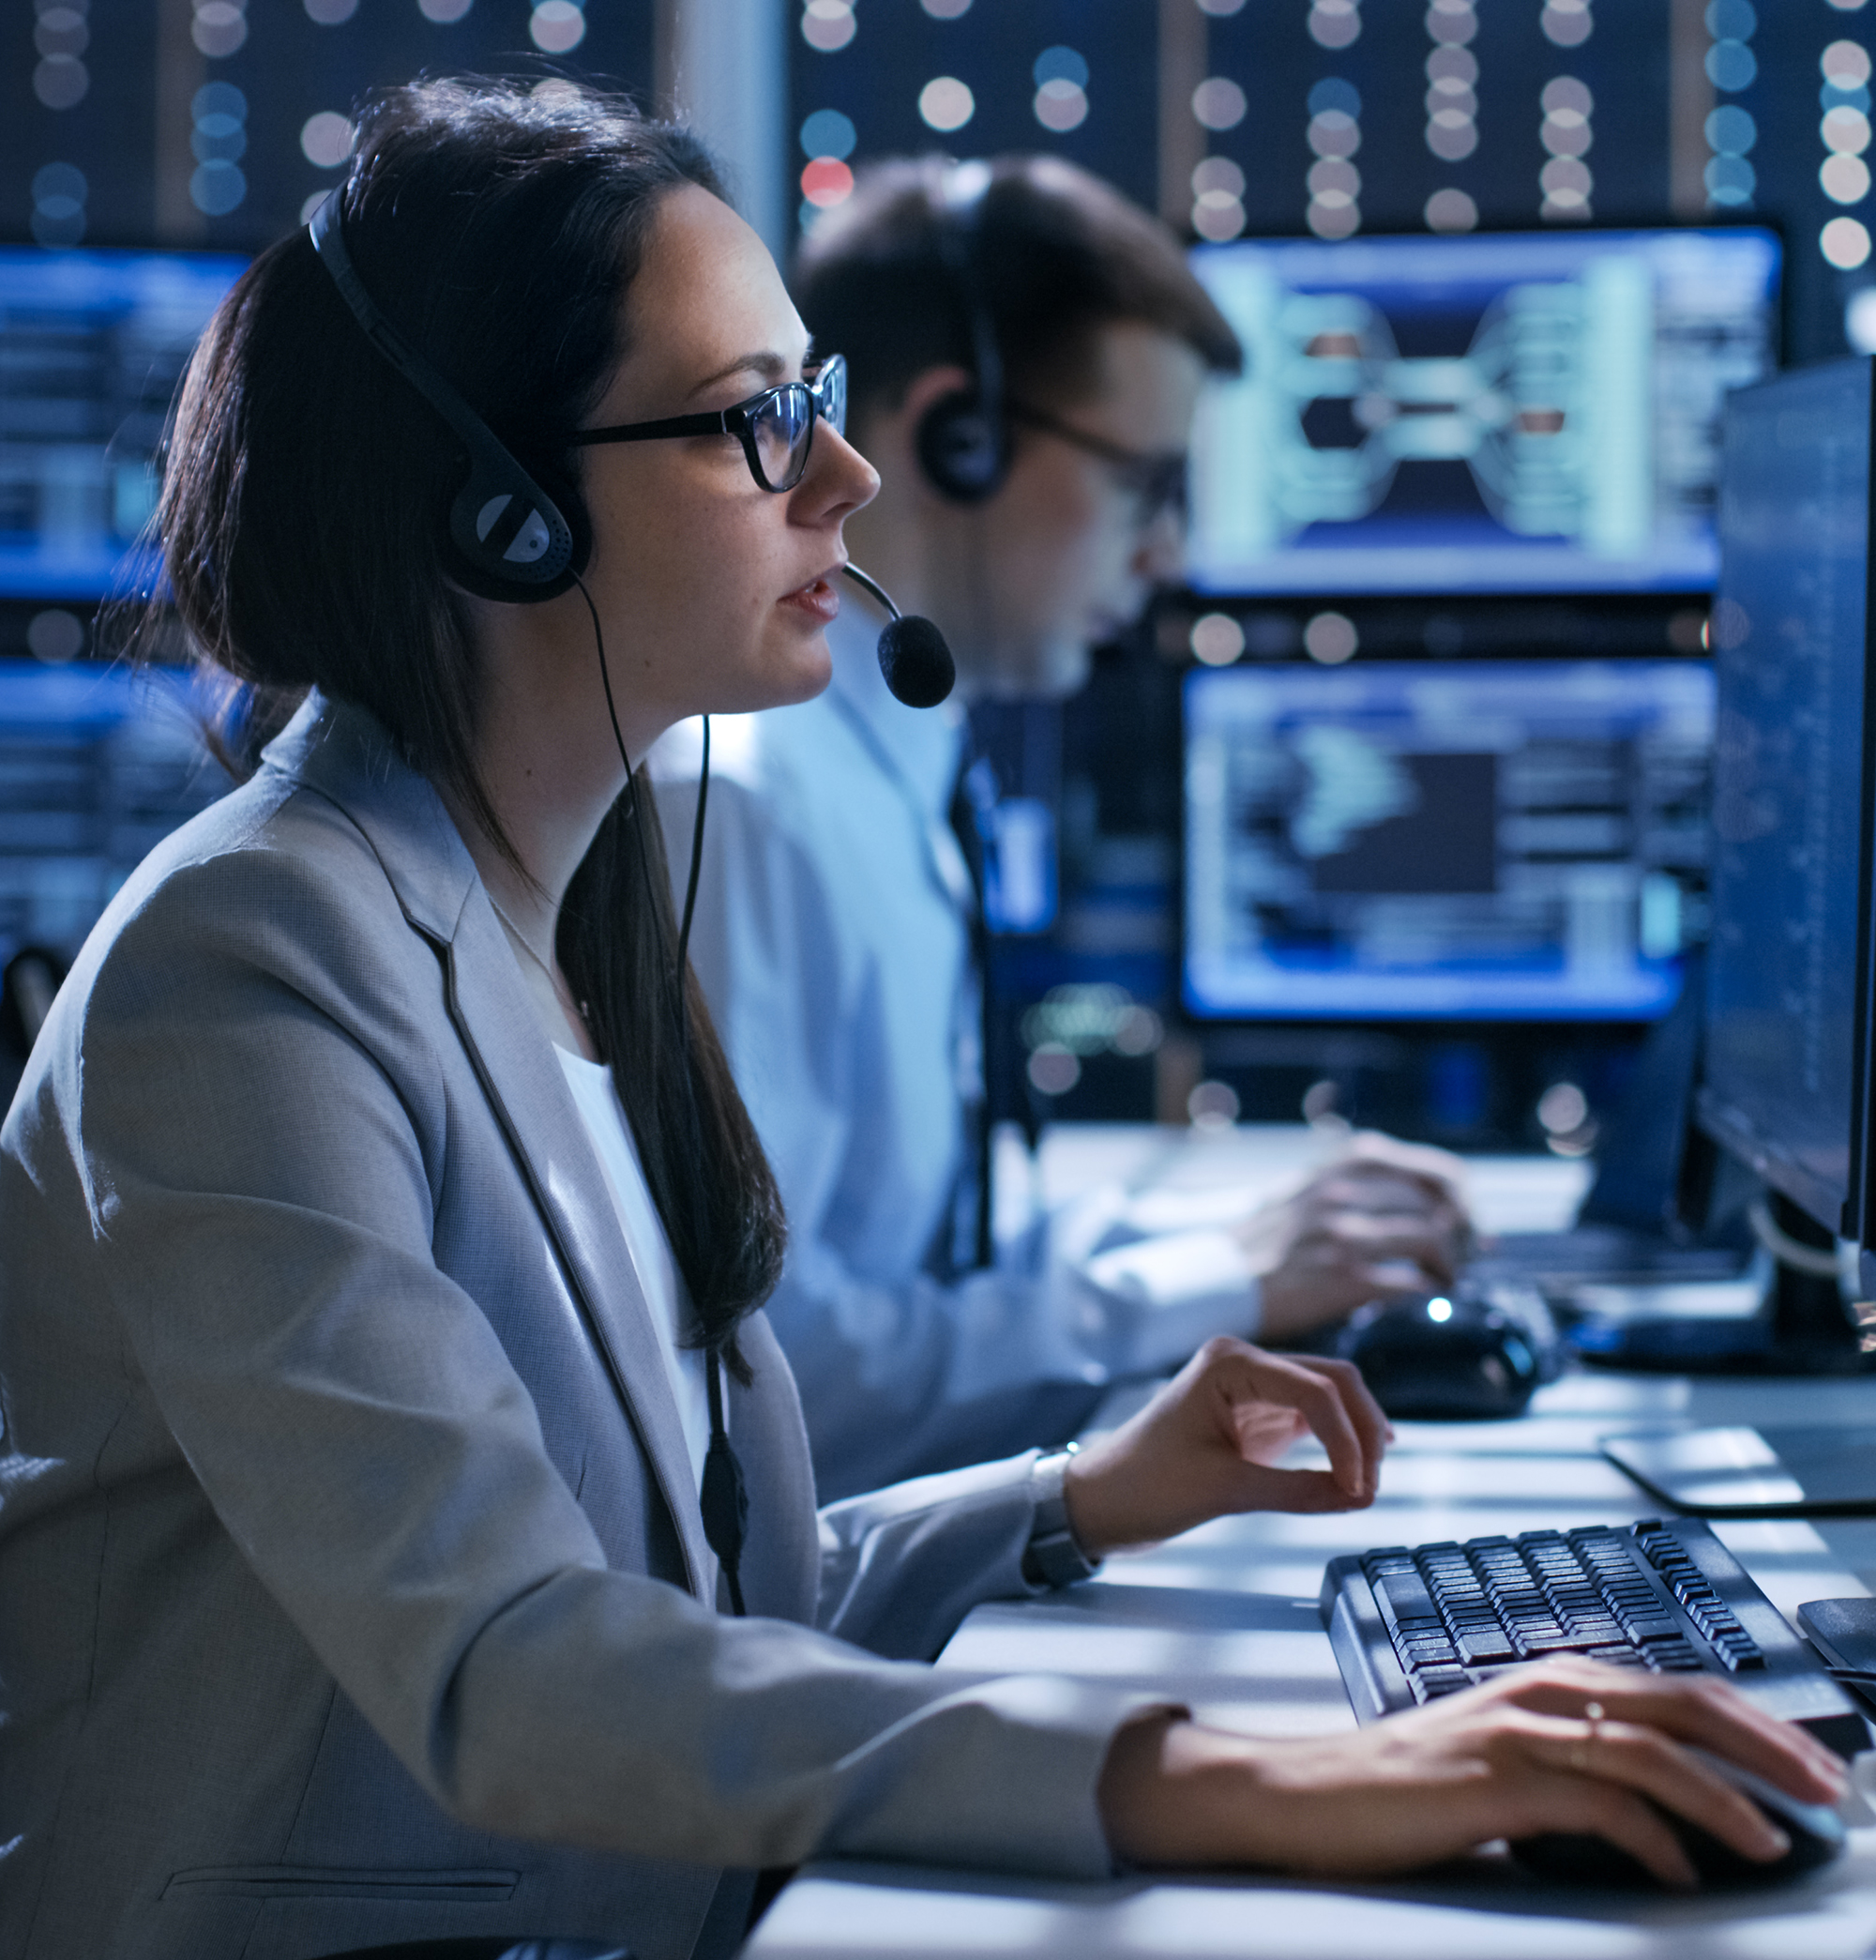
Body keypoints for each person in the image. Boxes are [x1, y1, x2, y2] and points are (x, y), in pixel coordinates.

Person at [0, 80, 1843, 1960]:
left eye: (811, 395)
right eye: (752, 424)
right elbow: (512, 1661)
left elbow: (700, 1589)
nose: (844, 475)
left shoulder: (577, 898)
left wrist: (1073, 1497)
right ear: (502, 513)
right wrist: (1257, 1776)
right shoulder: (248, 965)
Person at [654, 155, 1474, 1501]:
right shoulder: (741, 810)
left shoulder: (899, 769)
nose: (1167, 558)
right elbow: (769, 1383)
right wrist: (1226, 1277)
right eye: (1145, 486)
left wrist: (1243, 1239)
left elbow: (937, 1249)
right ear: (954, 436)